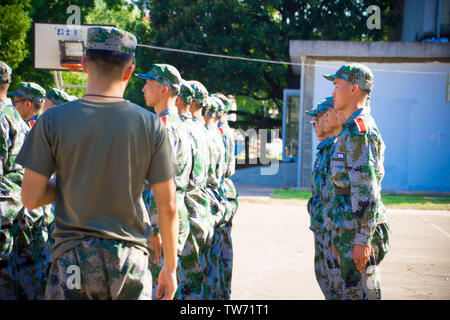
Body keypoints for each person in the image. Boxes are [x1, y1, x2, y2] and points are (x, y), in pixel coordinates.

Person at [16, 26, 179, 300]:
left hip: (73, 262)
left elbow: (30, 198)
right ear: (129, 71)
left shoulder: (51, 121)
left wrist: (73, 183)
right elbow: (168, 205)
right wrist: (170, 268)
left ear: (82, 65)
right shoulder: (151, 125)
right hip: (130, 262)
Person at [322, 63, 391, 300]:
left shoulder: (360, 131)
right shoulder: (350, 129)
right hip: (347, 228)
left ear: (353, 89)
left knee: (359, 294)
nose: (333, 92)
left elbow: (366, 189)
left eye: (336, 85)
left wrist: (362, 240)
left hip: (356, 231)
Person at [137, 63, 193, 299]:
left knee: (157, 289)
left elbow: (162, 185)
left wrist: (154, 228)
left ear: (163, 90)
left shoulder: (165, 127)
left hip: (160, 220)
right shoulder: (175, 124)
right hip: (165, 217)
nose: (142, 88)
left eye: (148, 83)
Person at [3, 76, 53, 300]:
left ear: (28, 104)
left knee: (23, 271)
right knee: (27, 271)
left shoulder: (36, 127)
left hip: (23, 209)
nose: (14, 105)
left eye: (17, 101)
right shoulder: (33, 127)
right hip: (30, 208)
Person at [174, 80, 213, 299]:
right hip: (200, 205)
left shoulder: (182, 128)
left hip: (186, 208)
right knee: (196, 281)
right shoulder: (202, 129)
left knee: (183, 283)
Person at [212, 93, 238, 299]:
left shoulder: (219, 131)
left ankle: (220, 293)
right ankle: (223, 292)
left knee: (219, 248)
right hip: (226, 191)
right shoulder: (225, 130)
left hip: (220, 191)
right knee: (223, 247)